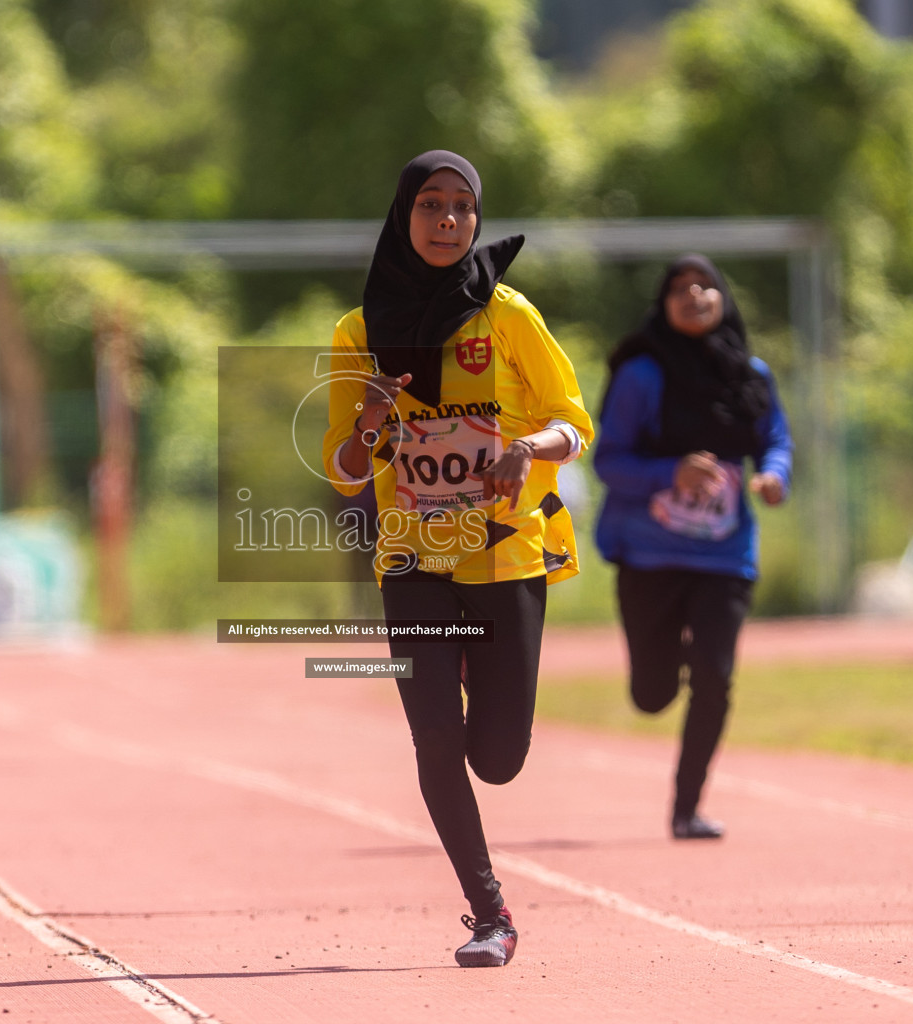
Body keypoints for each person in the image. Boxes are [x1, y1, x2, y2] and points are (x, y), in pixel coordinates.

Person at [322, 151, 593, 967]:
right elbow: (341, 471)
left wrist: (526, 446)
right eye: (430, 206)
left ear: (476, 220)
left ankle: (483, 690)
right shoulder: (358, 333)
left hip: (508, 554)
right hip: (411, 560)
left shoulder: (509, 315)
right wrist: (370, 418)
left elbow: (575, 422)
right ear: (402, 216)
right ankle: (490, 914)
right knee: (436, 739)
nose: (446, 222)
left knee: (498, 758)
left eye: (461, 208)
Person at [592, 254, 792, 840]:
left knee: (715, 674)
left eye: (705, 285)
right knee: (652, 696)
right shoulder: (641, 375)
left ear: (723, 297)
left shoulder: (749, 373)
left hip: (724, 555)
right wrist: (670, 473)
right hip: (649, 554)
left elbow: (774, 438)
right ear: (664, 303)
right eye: (679, 288)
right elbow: (609, 461)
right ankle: (669, 660)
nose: (695, 295)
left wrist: (775, 475)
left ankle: (687, 807)